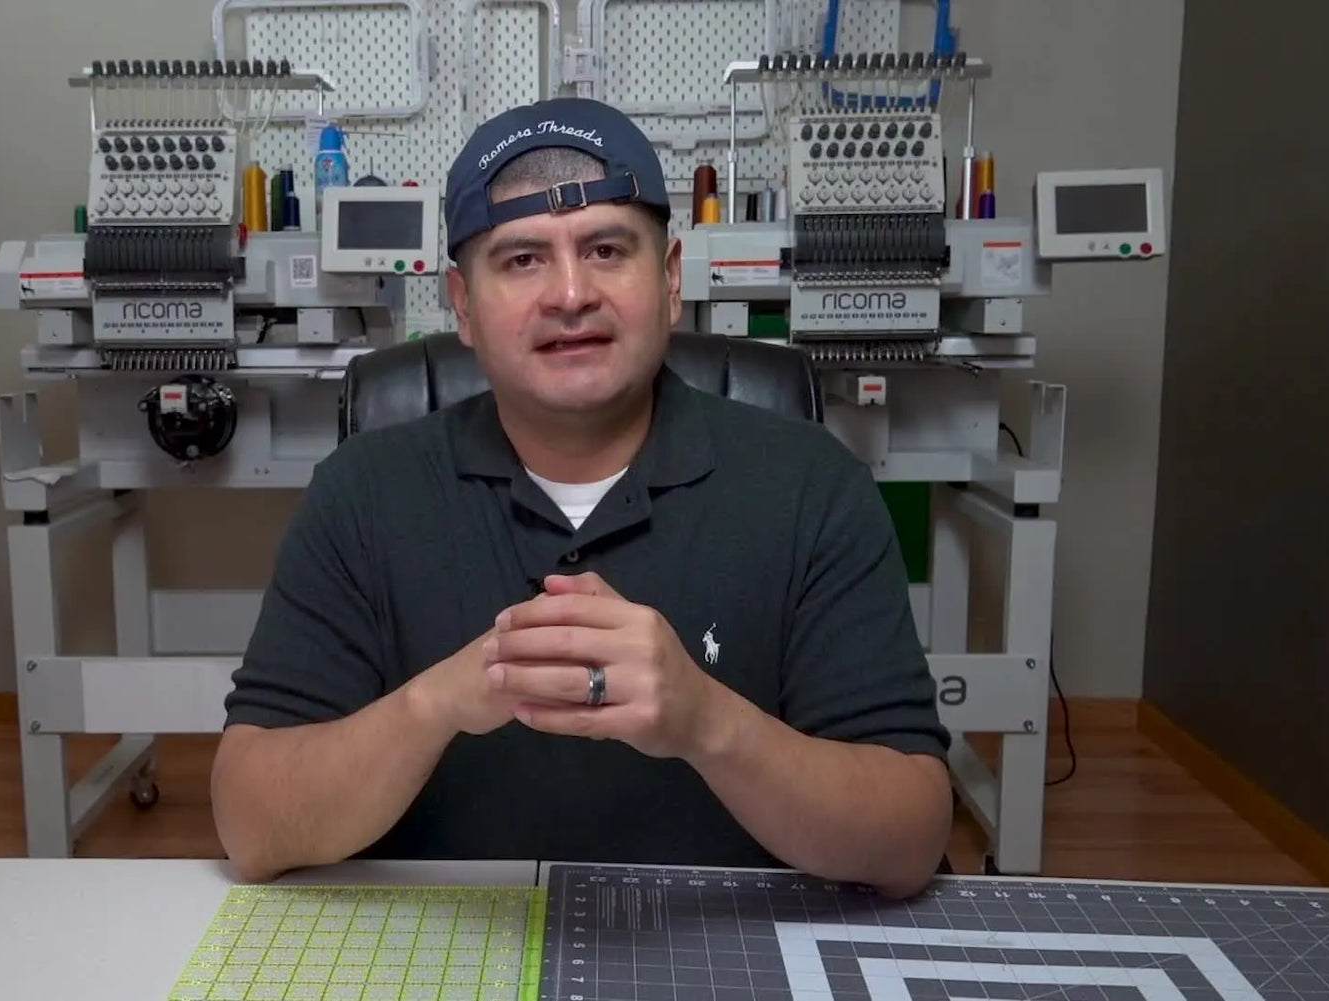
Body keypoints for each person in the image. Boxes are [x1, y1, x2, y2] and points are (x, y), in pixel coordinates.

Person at [210, 97, 953, 899]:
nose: (570, 294)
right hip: (451, 956)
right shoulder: (362, 493)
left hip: (724, 954)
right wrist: (439, 701)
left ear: (669, 281)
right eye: (523, 259)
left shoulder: (812, 485)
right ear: (461, 305)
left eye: (606, 249)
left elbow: (909, 834)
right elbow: (251, 824)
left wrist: (706, 721)